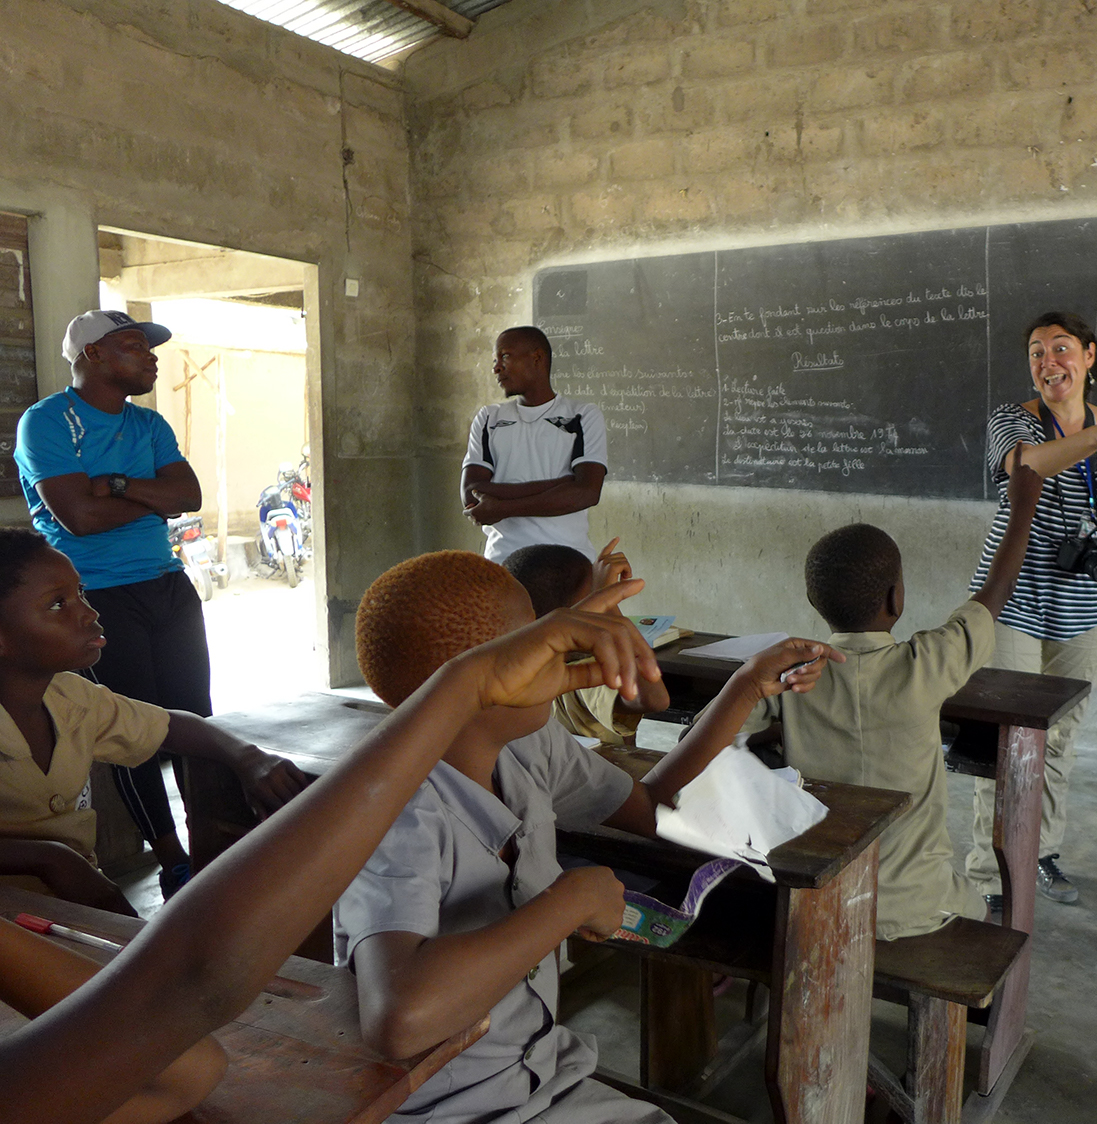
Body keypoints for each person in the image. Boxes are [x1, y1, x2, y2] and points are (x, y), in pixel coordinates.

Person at [0, 576, 666, 1124]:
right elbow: (190, 993)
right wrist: (466, 687)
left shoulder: (75, 700)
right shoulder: (415, 816)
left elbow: (184, 994)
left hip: (547, 1078)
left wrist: (467, 684)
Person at [334, 549, 838, 1124]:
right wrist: (570, 901)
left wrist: (746, 686)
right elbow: (398, 1016)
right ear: (480, 675)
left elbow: (653, 806)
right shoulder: (393, 808)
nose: (562, 652)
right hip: (447, 1111)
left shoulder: (528, 745)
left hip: (543, 1080)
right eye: (538, 640)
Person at [729, 466, 1043, 940]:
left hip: (819, 898)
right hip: (919, 902)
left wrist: (775, 737)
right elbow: (993, 595)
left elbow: (716, 737)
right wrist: (1021, 508)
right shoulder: (929, 662)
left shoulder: (792, 676)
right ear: (896, 597)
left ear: (814, 601)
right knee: (982, 913)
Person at [0, 528, 307, 915]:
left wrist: (249, 757)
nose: (90, 613)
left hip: (69, 911)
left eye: (80, 593)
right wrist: (51, 860)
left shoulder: (72, 698)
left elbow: (170, 725)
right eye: (58, 605)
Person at [966, 311, 1097, 907]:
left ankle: (1040, 853)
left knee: (1057, 737)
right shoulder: (1011, 420)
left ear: (1089, 356)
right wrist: (1095, 439)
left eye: (1061, 348)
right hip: (1015, 602)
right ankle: (988, 873)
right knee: (1000, 738)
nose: (1048, 361)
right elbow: (1025, 466)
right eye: (1035, 352)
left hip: (1088, 606)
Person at [14, 310, 208, 898]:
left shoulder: (148, 425)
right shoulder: (46, 423)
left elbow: (190, 495)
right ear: (91, 355)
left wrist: (117, 485)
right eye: (133, 346)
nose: (150, 357)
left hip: (167, 585)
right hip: (95, 596)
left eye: (148, 349)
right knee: (132, 733)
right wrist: (152, 498)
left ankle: (211, 847)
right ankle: (173, 858)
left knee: (194, 718)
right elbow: (80, 517)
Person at [461, 325, 608, 564]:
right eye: (496, 359)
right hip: (502, 563)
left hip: (567, 563)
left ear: (537, 357)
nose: (496, 367)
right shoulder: (489, 418)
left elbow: (587, 493)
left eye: (505, 356)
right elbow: (472, 493)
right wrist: (562, 485)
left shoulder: (582, 416)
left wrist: (505, 507)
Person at [505, 536, 671, 744]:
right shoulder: (575, 675)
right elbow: (656, 699)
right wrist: (608, 600)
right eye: (595, 601)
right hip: (601, 774)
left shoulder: (516, 669)